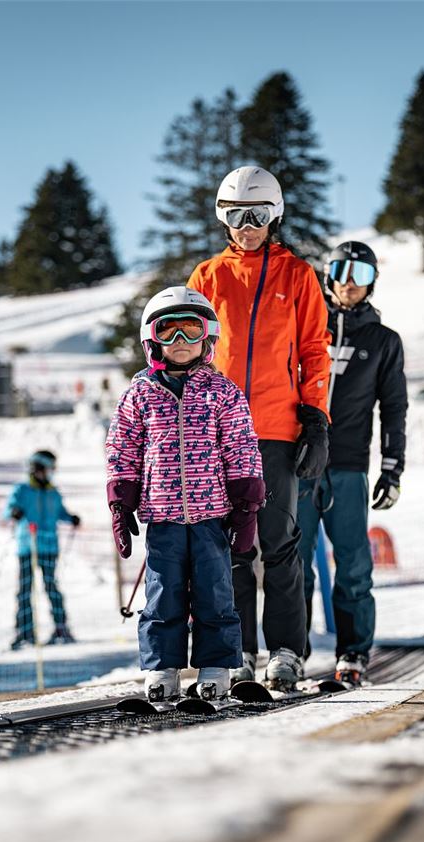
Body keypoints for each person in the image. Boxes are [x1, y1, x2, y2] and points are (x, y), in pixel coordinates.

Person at [188, 166, 331, 689]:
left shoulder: (297, 275)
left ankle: (288, 650)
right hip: (217, 430)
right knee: (230, 547)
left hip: (276, 425)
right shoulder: (207, 276)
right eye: (235, 215)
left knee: (279, 540)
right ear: (222, 217)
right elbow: (188, 352)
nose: (247, 226)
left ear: (275, 216)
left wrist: (316, 419)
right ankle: (238, 650)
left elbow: (316, 350)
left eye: (258, 215)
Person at [105, 286, 265, 702]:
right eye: (169, 332)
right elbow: (123, 449)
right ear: (151, 339)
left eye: (190, 331)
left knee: (215, 592)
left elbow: (242, 448)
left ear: (207, 337)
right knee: (163, 594)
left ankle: (216, 666)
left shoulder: (223, 392)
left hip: (213, 515)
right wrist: (121, 503)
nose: (179, 343)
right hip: (162, 516)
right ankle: (163, 668)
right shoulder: (139, 394)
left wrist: (247, 504)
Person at [298, 240, 408, 684]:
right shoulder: (306, 332)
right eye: (341, 271)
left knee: (354, 563)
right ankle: (292, 651)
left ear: (372, 283)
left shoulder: (383, 341)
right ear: (328, 276)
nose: (348, 282)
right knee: (292, 563)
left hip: (348, 466)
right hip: (300, 463)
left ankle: (354, 653)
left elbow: (394, 407)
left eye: (360, 275)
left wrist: (392, 467)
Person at [4, 450, 81, 649]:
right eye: (49, 468)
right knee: (25, 589)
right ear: (38, 468)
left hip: (49, 547)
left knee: (51, 587)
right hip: (27, 547)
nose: (51, 473)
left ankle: (61, 627)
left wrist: (71, 517)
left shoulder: (52, 492)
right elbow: (9, 509)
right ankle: (24, 631)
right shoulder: (22, 489)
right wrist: (14, 512)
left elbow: (61, 512)